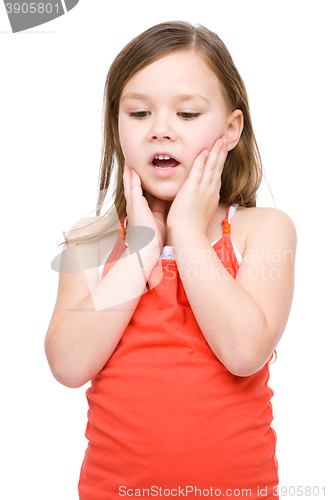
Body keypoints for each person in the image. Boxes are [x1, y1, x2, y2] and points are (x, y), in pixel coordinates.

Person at [45, 21, 297, 500]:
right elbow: (68, 365)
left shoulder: (262, 230)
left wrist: (184, 232)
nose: (161, 129)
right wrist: (141, 249)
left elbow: (245, 353)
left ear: (230, 129)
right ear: (116, 127)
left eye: (186, 113)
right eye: (139, 113)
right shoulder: (91, 242)